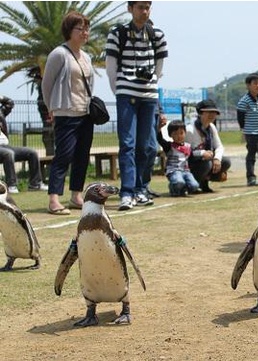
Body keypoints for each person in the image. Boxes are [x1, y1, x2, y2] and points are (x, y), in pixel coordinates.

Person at [105, 1, 168, 211]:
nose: (144, 11)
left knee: (149, 146)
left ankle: (141, 188)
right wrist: (121, 89)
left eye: (147, 6)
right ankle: (127, 192)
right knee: (128, 144)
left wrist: (151, 83)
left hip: (149, 95)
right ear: (130, 8)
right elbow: (111, 67)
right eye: (140, 6)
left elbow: (160, 67)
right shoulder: (118, 33)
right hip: (126, 95)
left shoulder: (157, 34)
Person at [41, 11, 95, 215]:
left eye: (87, 28)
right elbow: (47, 84)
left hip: (85, 113)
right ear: (69, 30)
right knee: (63, 155)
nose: (85, 32)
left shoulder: (87, 57)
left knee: (82, 156)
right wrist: (51, 107)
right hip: (66, 112)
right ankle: (54, 199)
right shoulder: (59, 54)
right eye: (80, 28)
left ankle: (76, 196)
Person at [0, 96, 48, 194]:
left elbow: (10, 102)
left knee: (32, 152)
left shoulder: (1, 113)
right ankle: (11, 185)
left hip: (5, 145)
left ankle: (35, 184)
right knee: (8, 154)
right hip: (4, 151)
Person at [185, 99, 231, 193]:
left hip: (206, 160)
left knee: (225, 161)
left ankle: (204, 183)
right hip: (190, 165)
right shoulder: (190, 130)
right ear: (200, 113)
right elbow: (185, 152)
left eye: (214, 112)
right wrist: (202, 153)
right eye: (209, 112)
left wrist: (217, 158)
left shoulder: (211, 128)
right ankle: (192, 185)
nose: (212, 115)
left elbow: (219, 146)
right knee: (207, 163)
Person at [156, 119, 200, 196]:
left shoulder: (188, 146)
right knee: (179, 181)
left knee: (195, 186)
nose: (179, 136)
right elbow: (160, 140)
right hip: (174, 171)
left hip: (186, 171)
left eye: (181, 133)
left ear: (185, 133)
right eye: (175, 134)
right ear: (170, 135)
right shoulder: (169, 146)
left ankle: (183, 189)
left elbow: (192, 159)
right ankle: (173, 188)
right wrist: (159, 129)